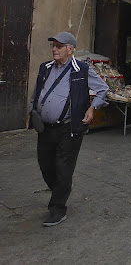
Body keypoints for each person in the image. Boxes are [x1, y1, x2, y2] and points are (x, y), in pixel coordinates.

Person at [26, 32, 109, 226]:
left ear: (70, 50)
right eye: (53, 46)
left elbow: (103, 89)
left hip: (69, 128)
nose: (54, 49)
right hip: (45, 128)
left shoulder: (82, 69)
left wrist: (92, 107)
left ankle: (58, 208)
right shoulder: (45, 68)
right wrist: (31, 112)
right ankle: (60, 191)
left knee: (63, 168)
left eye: (59, 46)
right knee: (45, 165)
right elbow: (37, 92)